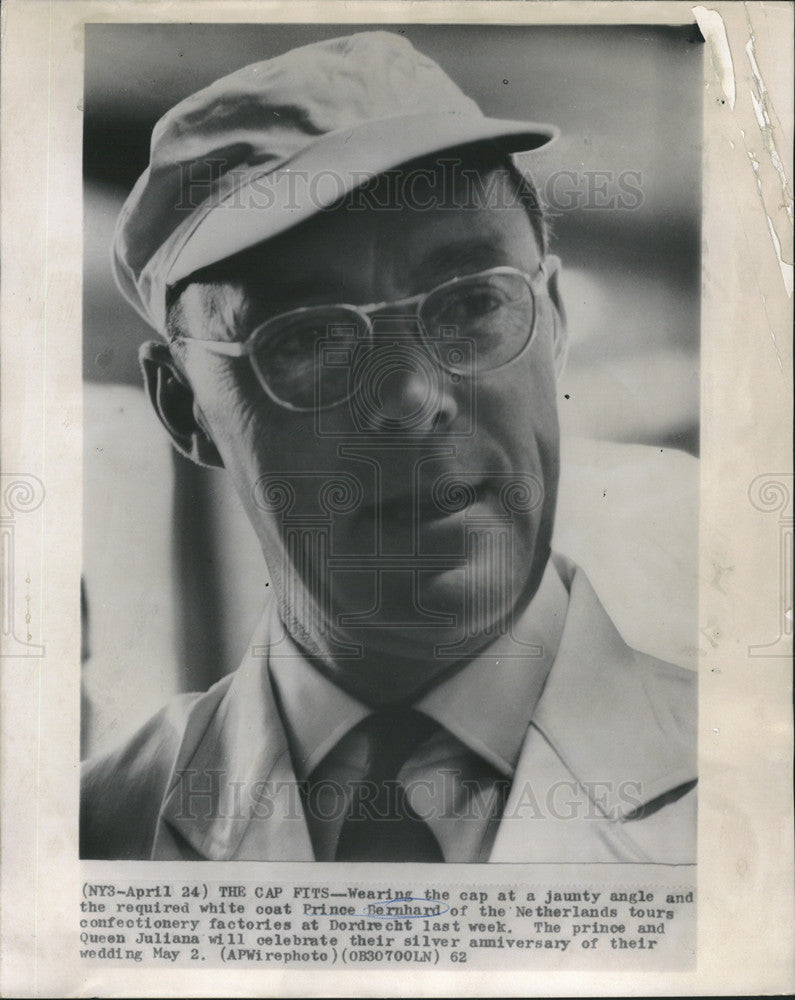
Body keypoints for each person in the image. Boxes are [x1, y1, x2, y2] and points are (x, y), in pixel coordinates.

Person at [81, 31, 696, 862]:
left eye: (472, 305)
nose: (409, 398)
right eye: (310, 342)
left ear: (550, 320)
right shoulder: (88, 831)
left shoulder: (757, 785)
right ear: (185, 406)